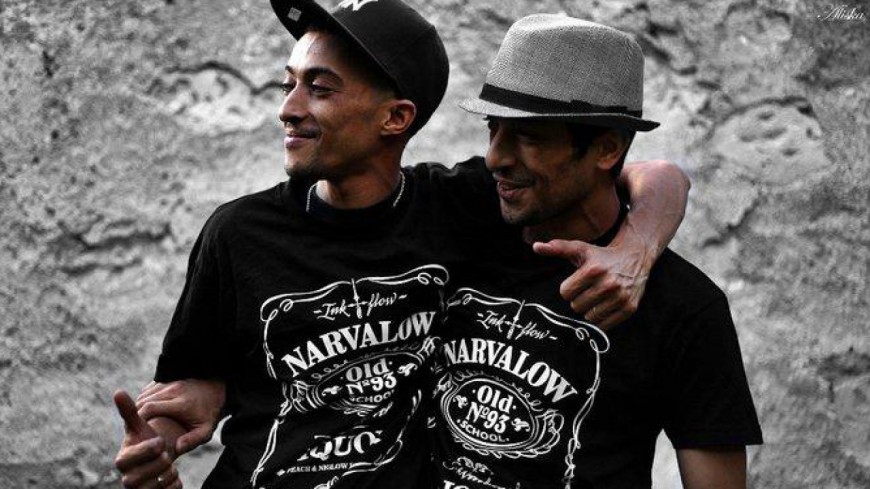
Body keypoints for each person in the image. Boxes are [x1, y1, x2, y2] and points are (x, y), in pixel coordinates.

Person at [112, 2, 690, 488]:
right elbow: (191, 386)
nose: (288, 108)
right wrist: (158, 441)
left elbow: (650, 173)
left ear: (396, 117)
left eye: (319, 89)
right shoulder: (238, 233)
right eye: (289, 84)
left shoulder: (461, 206)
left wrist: (635, 250)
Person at [428, 14, 763, 489]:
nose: (495, 157)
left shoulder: (684, 306)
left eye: (528, 136)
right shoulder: (460, 215)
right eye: (493, 127)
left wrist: (638, 249)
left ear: (606, 149)